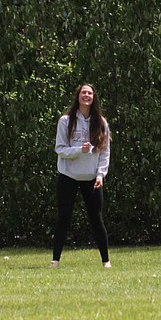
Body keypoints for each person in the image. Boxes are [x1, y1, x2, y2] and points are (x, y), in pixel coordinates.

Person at [51, 83, 112, 268]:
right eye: (83, 92)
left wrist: (100, 175)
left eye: (89, 93)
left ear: (93, 98)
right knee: (63, 218)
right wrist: (80, 150)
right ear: (78, 97)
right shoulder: (65, 121)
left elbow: (105, 152)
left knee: (97, 219)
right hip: (68, 176)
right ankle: (55, 261)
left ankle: (106, 262)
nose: (86, 95)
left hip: (91, 178)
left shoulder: (101, 122)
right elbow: (60, 149)